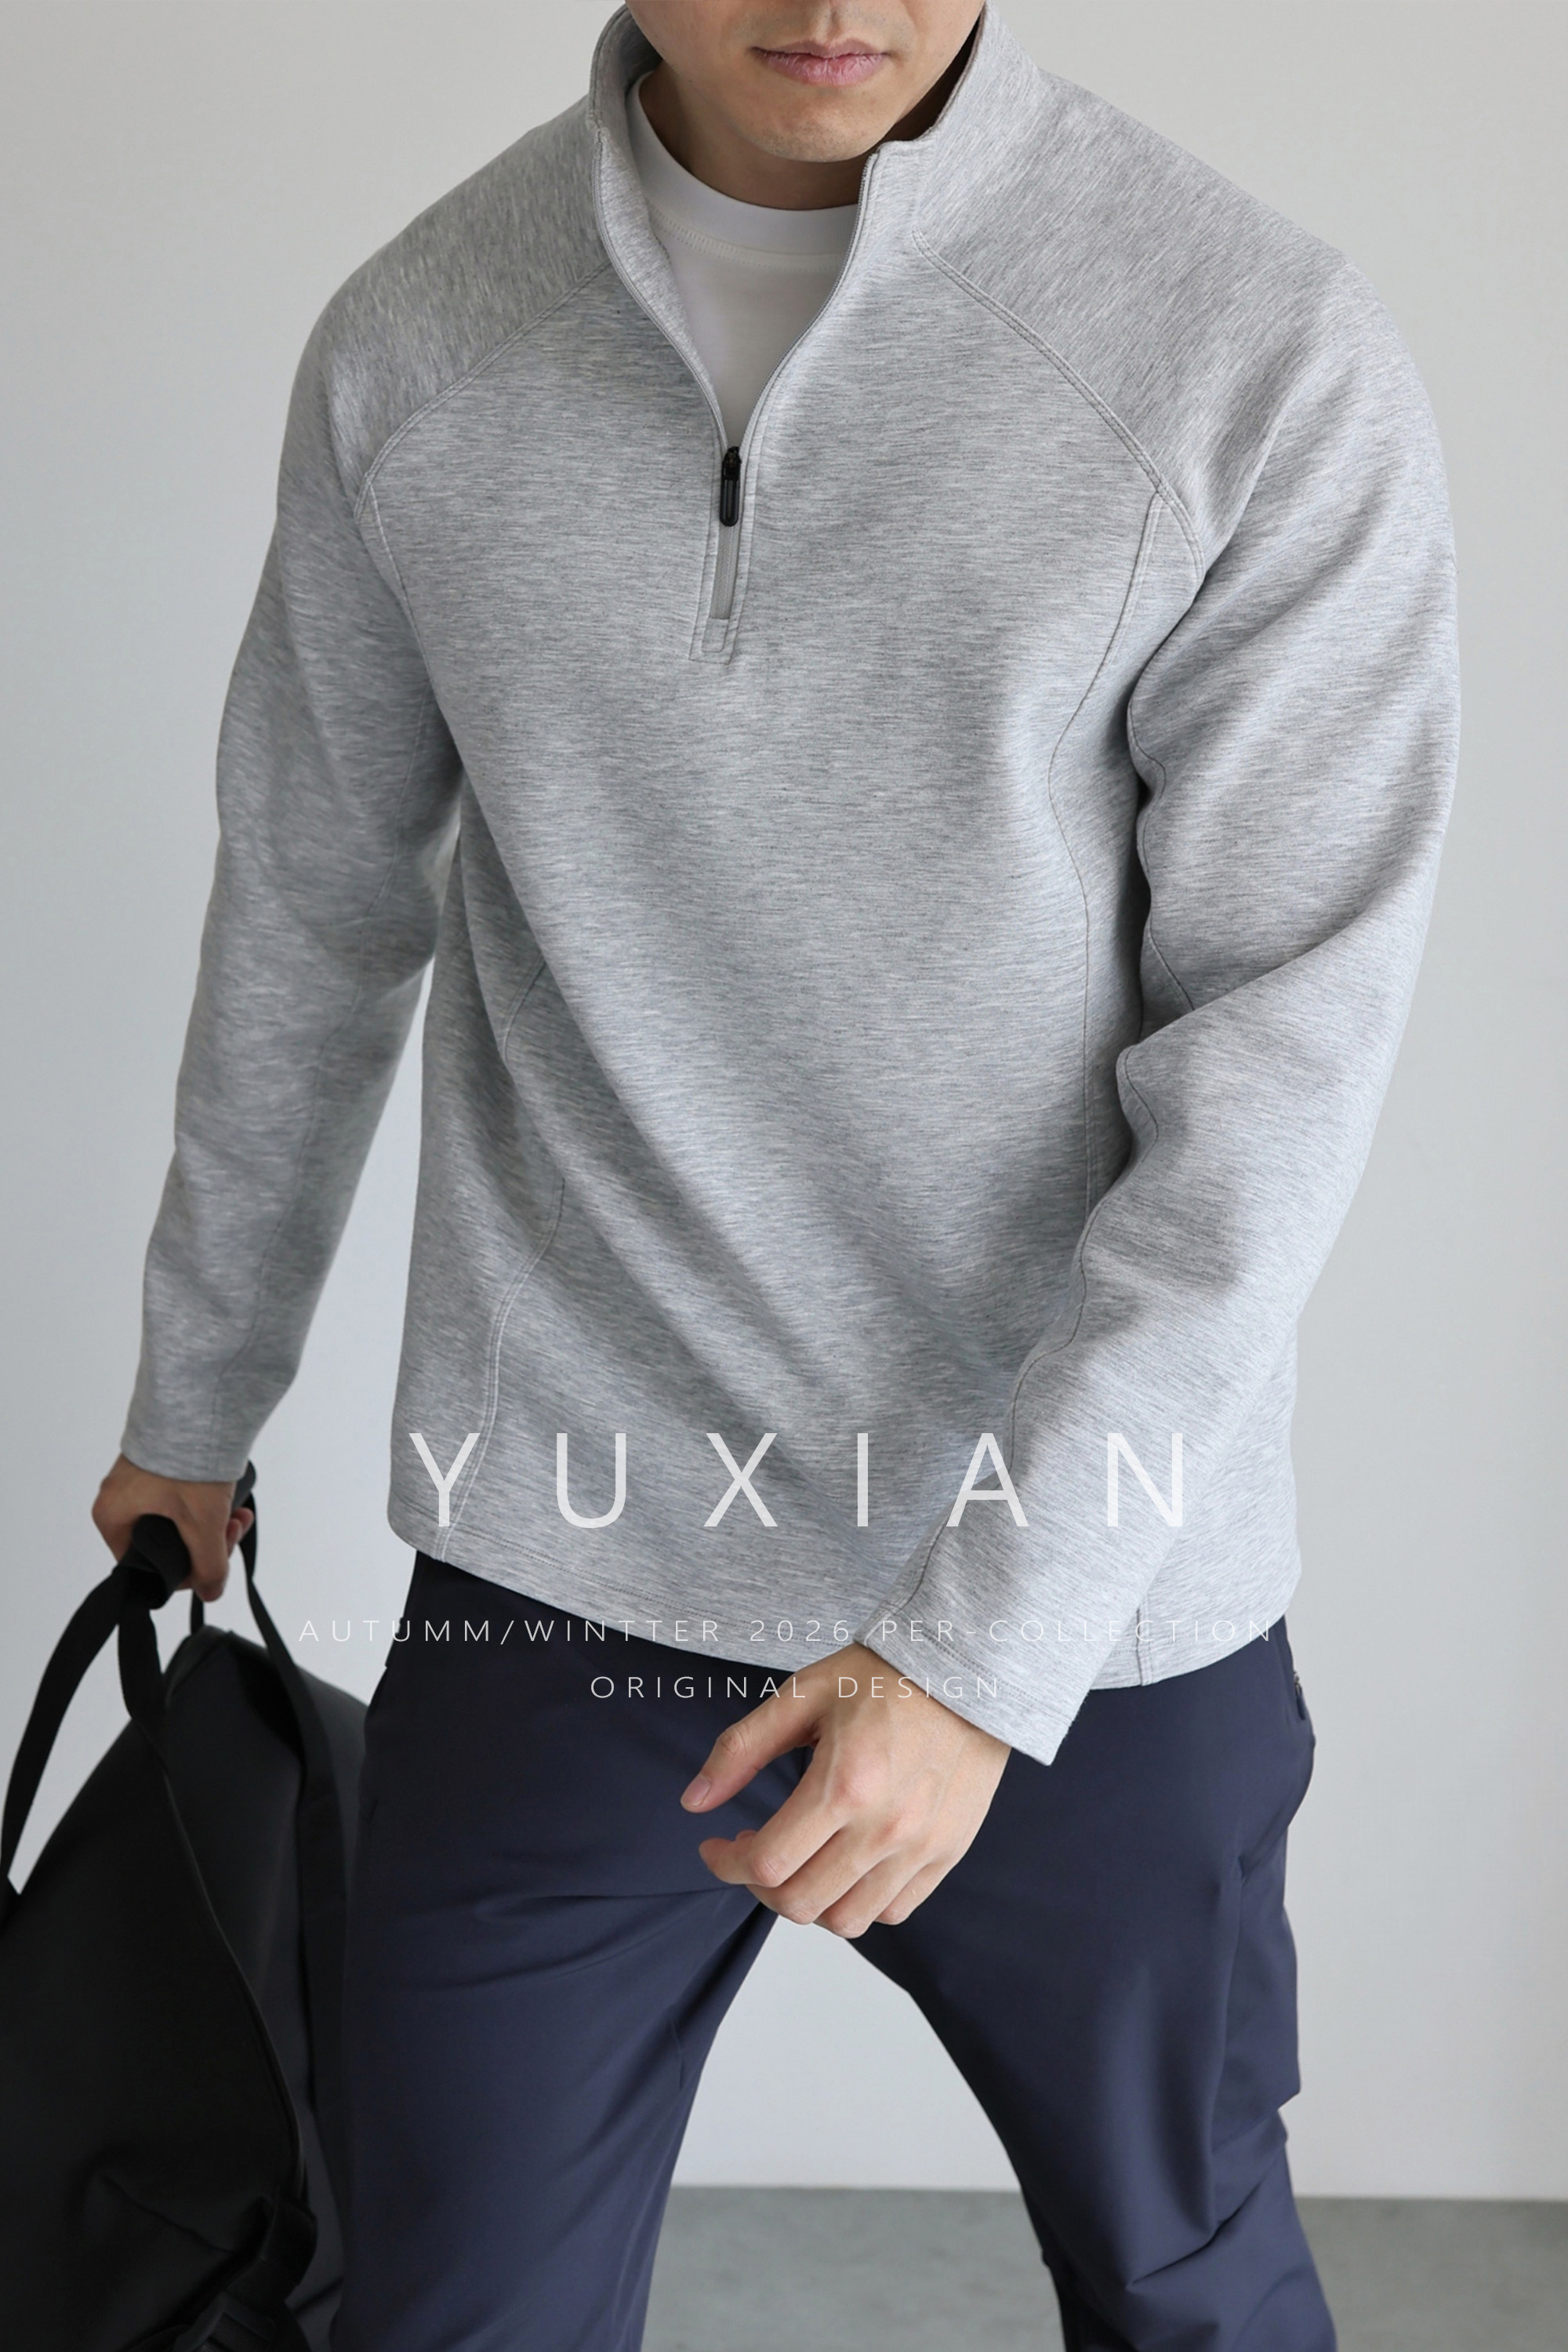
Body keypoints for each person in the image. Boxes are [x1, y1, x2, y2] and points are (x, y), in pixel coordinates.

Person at [91, 4, 1459, 2346]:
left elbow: (1276, 1077)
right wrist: (194, 1403)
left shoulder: (1250, 347)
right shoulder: (421, 346)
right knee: (443, 2314)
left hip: (1087, 1605)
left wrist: (976, 1656)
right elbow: (311, 907)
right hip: (566, 1562)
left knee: (1192, 2295)